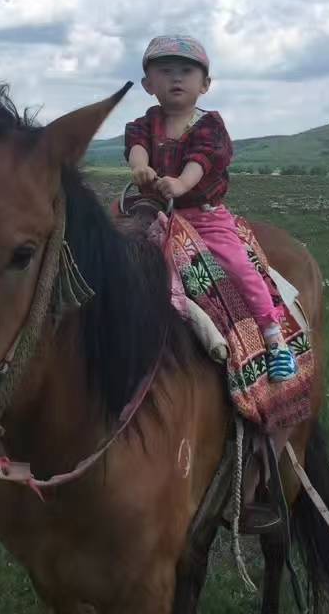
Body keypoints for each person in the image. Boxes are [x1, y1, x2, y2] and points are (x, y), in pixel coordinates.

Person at [125, 34, 298, 383]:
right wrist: (139, 168)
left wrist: (181, 184)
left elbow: (201, 160)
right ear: (147, 84)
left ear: (204, 84)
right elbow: (137, 147)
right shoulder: (145, 123)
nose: (176, 78)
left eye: (186, 71)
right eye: (165, 70)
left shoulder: (210, 126)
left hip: (203, 215)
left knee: (238, 265)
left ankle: (274, 337)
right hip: (153, 209)